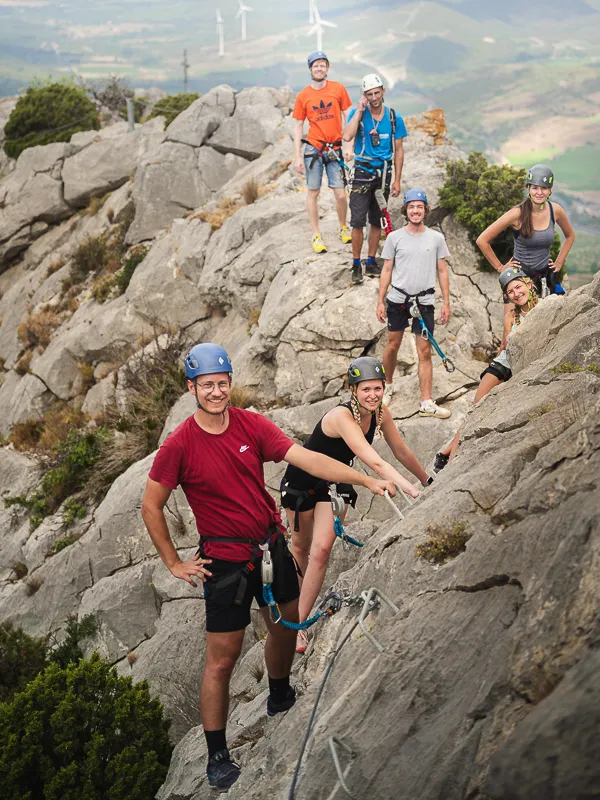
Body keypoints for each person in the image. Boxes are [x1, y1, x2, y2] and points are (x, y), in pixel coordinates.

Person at [140, 343, 395, 793]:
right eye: (207, 386)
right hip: (223, 560)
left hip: (270, 546)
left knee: (286, 626)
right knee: (222, 660)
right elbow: (151, 505)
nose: (216, 392)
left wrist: (365, 477)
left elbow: (307, 459)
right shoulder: (179, 444)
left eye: (222, 383)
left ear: (229, 383)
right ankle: (217, 754)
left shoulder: (250, 423)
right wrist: (174, 562)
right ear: (191, 388)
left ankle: (279, 693)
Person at [280, 356, 432, 653]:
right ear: (353, 390)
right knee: (299, 548)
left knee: (322, 550)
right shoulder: (341, 417)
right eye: (366, 390)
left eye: (378, 388)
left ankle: (298, 625)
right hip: (301, 482)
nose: (373, 395)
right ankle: (288, 608)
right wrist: (410, 491)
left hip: (335, 483)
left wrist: (426, 481)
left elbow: (399, 450)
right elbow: (373, 461)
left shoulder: (380, 414)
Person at [433, 267, 538, 472]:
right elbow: (504, 347)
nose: (516, 293)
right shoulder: (510, 316)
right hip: (501, 366)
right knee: (476, 410)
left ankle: (446, 451)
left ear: (528, 284)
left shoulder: (544, 308)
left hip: (521, 369)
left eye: (518, 287)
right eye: (510, 292)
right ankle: (451, 462)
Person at [376, 188, 452, 417]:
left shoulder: (436, 238)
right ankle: (387, 385)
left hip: (425, 301)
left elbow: (442, 270)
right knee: (392, 345)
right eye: (411, 207)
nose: (415, 211)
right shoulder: (394, 238)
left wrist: (446, 302)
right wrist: (380, 301)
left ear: (425, 210)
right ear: (406, 210)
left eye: (419, 207)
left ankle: (426, 402)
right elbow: (387, 269)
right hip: (398, 299)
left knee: (425, 351)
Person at [476, 164, 575, 316]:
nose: (539, 192)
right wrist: (501, 268)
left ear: (550, 191)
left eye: (544, 188)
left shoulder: (555, 210)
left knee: (555, 321)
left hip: (546, 277)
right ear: (528, 188)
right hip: (518, 280)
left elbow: (570, 235)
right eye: (535, 188)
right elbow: (482, 240)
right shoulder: (517, 214)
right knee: (512, 330)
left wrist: (559, 262)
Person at [342, 74, 408, 285]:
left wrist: (397, 179)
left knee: (376, 219)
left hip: (384, 174)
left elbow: (398, 150)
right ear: (364, 96)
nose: (373, 97)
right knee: (357, 221)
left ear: (383, 91)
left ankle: (370, 261)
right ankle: (355, 264)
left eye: (376, 92)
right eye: (369, 94)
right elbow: (347, 136)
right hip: (362, 170)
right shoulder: (358, 113)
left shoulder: (393, 117)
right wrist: (360, 110)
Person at [293, 51, 353, 254]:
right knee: (313, 192)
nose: (319, 68)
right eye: (315, 65)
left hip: (335, 147)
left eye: (322, 65)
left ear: (327, 68)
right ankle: (316, 235)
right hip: (314, 149)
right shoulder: (303, 95)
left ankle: (343, 227)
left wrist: (348, 146)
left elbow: (348, 116)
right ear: (310, 69)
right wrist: (297, 156)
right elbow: (298, 126)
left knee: (341, 194)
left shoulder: (338, 89)